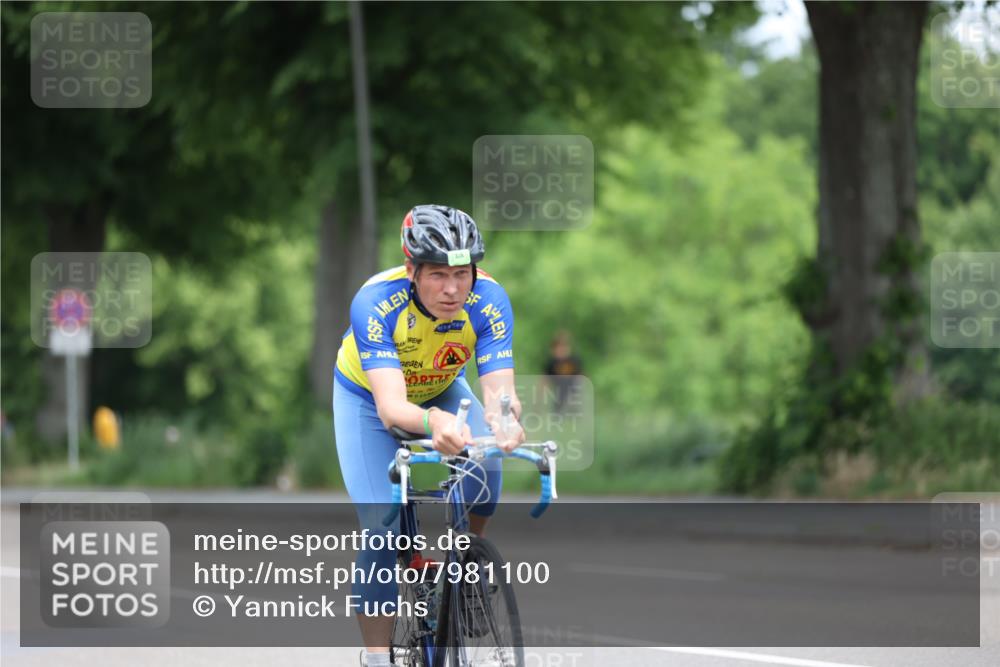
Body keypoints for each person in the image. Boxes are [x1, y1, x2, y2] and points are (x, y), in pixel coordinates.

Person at [333, 204, 526, 666]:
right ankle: (378, 657)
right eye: (438, 274)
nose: (453, 288)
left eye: (462, 274)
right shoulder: (375, 302)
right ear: (411, 270)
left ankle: (467, 566)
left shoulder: (490, 301)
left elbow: (501, 393)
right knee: (382, 529)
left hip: (441, 388)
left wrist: (506, 422)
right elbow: (393, 409)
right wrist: (434, 423)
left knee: (487, 465)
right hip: (368, 398)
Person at [543, 330, 583, 414]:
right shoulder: (552, 363)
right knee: (557, 414)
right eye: (558, 347)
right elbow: (544, 381)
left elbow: (581, 378)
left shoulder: (574, 361)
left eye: (564, 347)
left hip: (573, 394)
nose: (561, 350)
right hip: (558, 394)